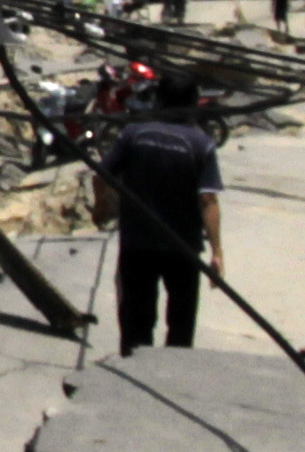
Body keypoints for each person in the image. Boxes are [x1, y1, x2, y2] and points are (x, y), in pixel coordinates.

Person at [90, 73, 225, 356]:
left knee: (136, 321)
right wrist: (217, 252)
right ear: (193, 104)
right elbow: (208, 200)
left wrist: (103, 208)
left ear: (159, 100)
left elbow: (100, 176)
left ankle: (134, 371)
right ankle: (172, 375)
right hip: (183, 247)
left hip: (137, 245)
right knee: (181, 322)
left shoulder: (133, 134)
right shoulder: (201, 144)